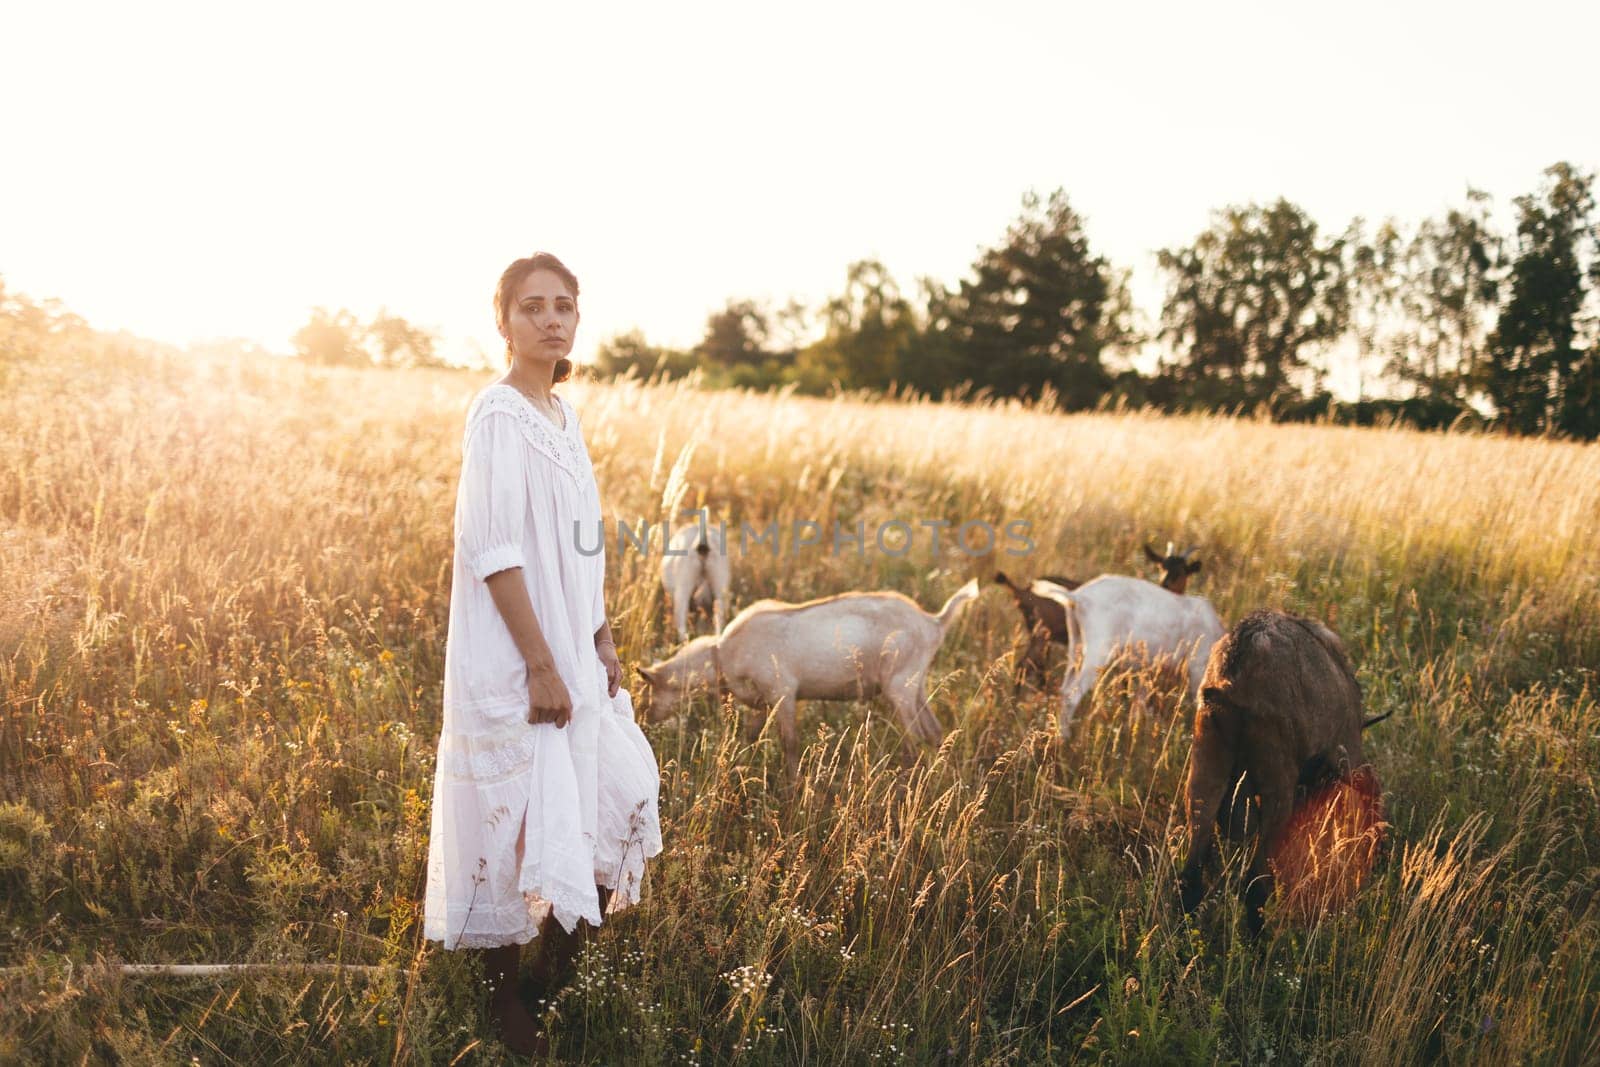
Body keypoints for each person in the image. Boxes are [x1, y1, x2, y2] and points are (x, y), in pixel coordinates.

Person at [423, 253, 662, 1054]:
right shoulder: (497, 412)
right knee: (512, 819)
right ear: (504, 321)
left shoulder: (565, 413)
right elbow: (492, 545)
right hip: (515, 649)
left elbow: (580, 542)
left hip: (569, 639)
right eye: (532, 307)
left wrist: (598, 635)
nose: (550, 319)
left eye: (564, 306)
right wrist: (539, 661)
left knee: (612, 791)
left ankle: (556, 980)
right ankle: (503, 1001)